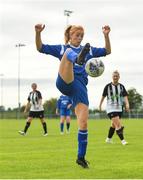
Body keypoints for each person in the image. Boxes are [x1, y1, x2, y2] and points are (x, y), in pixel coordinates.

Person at [35, 23, 111, 168]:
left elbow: (107, 50)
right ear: (70, 35)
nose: (80, 38)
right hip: (65, 80)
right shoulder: (62, 47)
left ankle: (81, 157)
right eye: (77, 35)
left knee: (83, 123)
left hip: (80, 88)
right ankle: (76, 58)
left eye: (82, 36)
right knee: (68, 53)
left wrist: (106, 36)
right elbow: (40, 47)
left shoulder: (89, 50)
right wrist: (38, 33)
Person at [99, 70, 130, 145]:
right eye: (114, 76)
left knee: (113, 125)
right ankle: (123, 141)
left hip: (119, 108)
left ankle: (108, 139)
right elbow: (103, 96)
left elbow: (125, 96)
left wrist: (127, 104)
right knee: (118, 125)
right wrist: (100, 105)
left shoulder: (121, 86)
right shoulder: (108, 86)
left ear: (119, 77)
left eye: (116, 76)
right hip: (110, 108)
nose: (115, 77)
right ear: (112, 77)